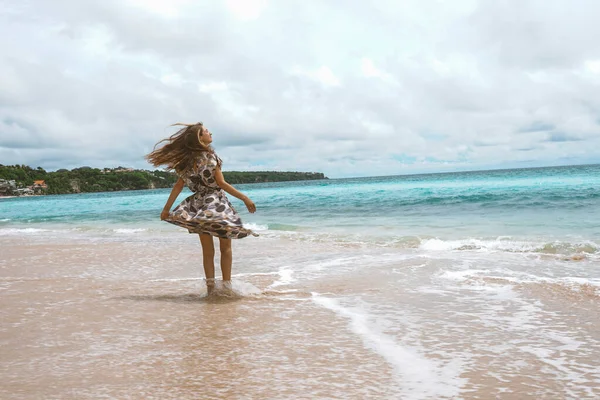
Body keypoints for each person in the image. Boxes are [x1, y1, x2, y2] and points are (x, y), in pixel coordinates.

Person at [145, 122, 257, 294]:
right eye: (206, 131)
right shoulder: (211, 158)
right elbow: (221, 183)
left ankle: (211, 289)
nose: (210, 132)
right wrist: (245, 198)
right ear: (199, 138)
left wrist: (166, 210)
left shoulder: (186, 162)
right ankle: (227, 287)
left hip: (198, 206)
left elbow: (177, 187)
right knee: (225, 248)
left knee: (207, 251)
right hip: (217, 204)